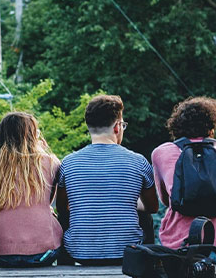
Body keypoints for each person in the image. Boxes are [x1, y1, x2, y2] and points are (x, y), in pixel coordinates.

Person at [56, 95, 159, 265]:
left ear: (88, 127)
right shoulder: (138, 161)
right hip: (127, 253)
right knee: (144, 217)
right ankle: (146, 265)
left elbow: (62, 208)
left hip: (79, 253)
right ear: (117, 127)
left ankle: (65, 266)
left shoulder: (68, 163)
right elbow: (153, 207)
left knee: (66, 216)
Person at [152, 97, 216, 262]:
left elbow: (166, 200)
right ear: (212, 126)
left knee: (170, 210)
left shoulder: (161, 152)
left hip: (180, 249)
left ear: (176, 126)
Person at [0, 112, 63, 267]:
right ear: (33, 135)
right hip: (43, 253)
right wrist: (43, 152)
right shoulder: (50, 162)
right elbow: (49, 201)